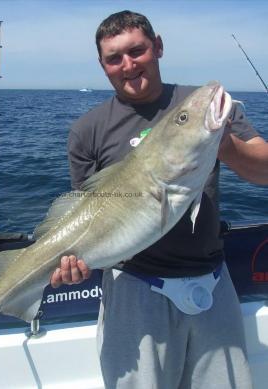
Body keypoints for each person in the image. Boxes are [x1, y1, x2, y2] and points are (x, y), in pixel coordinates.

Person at [51, 10, 268, 389]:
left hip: (213, 284)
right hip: (134, 291)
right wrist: (71, 263)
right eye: (114, 58)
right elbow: (83, 214)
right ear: (103, 66)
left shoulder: (199, 105)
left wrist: (219, 143)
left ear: (158, 47)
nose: (128, 65)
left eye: (137, 51)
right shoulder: (87, 131)